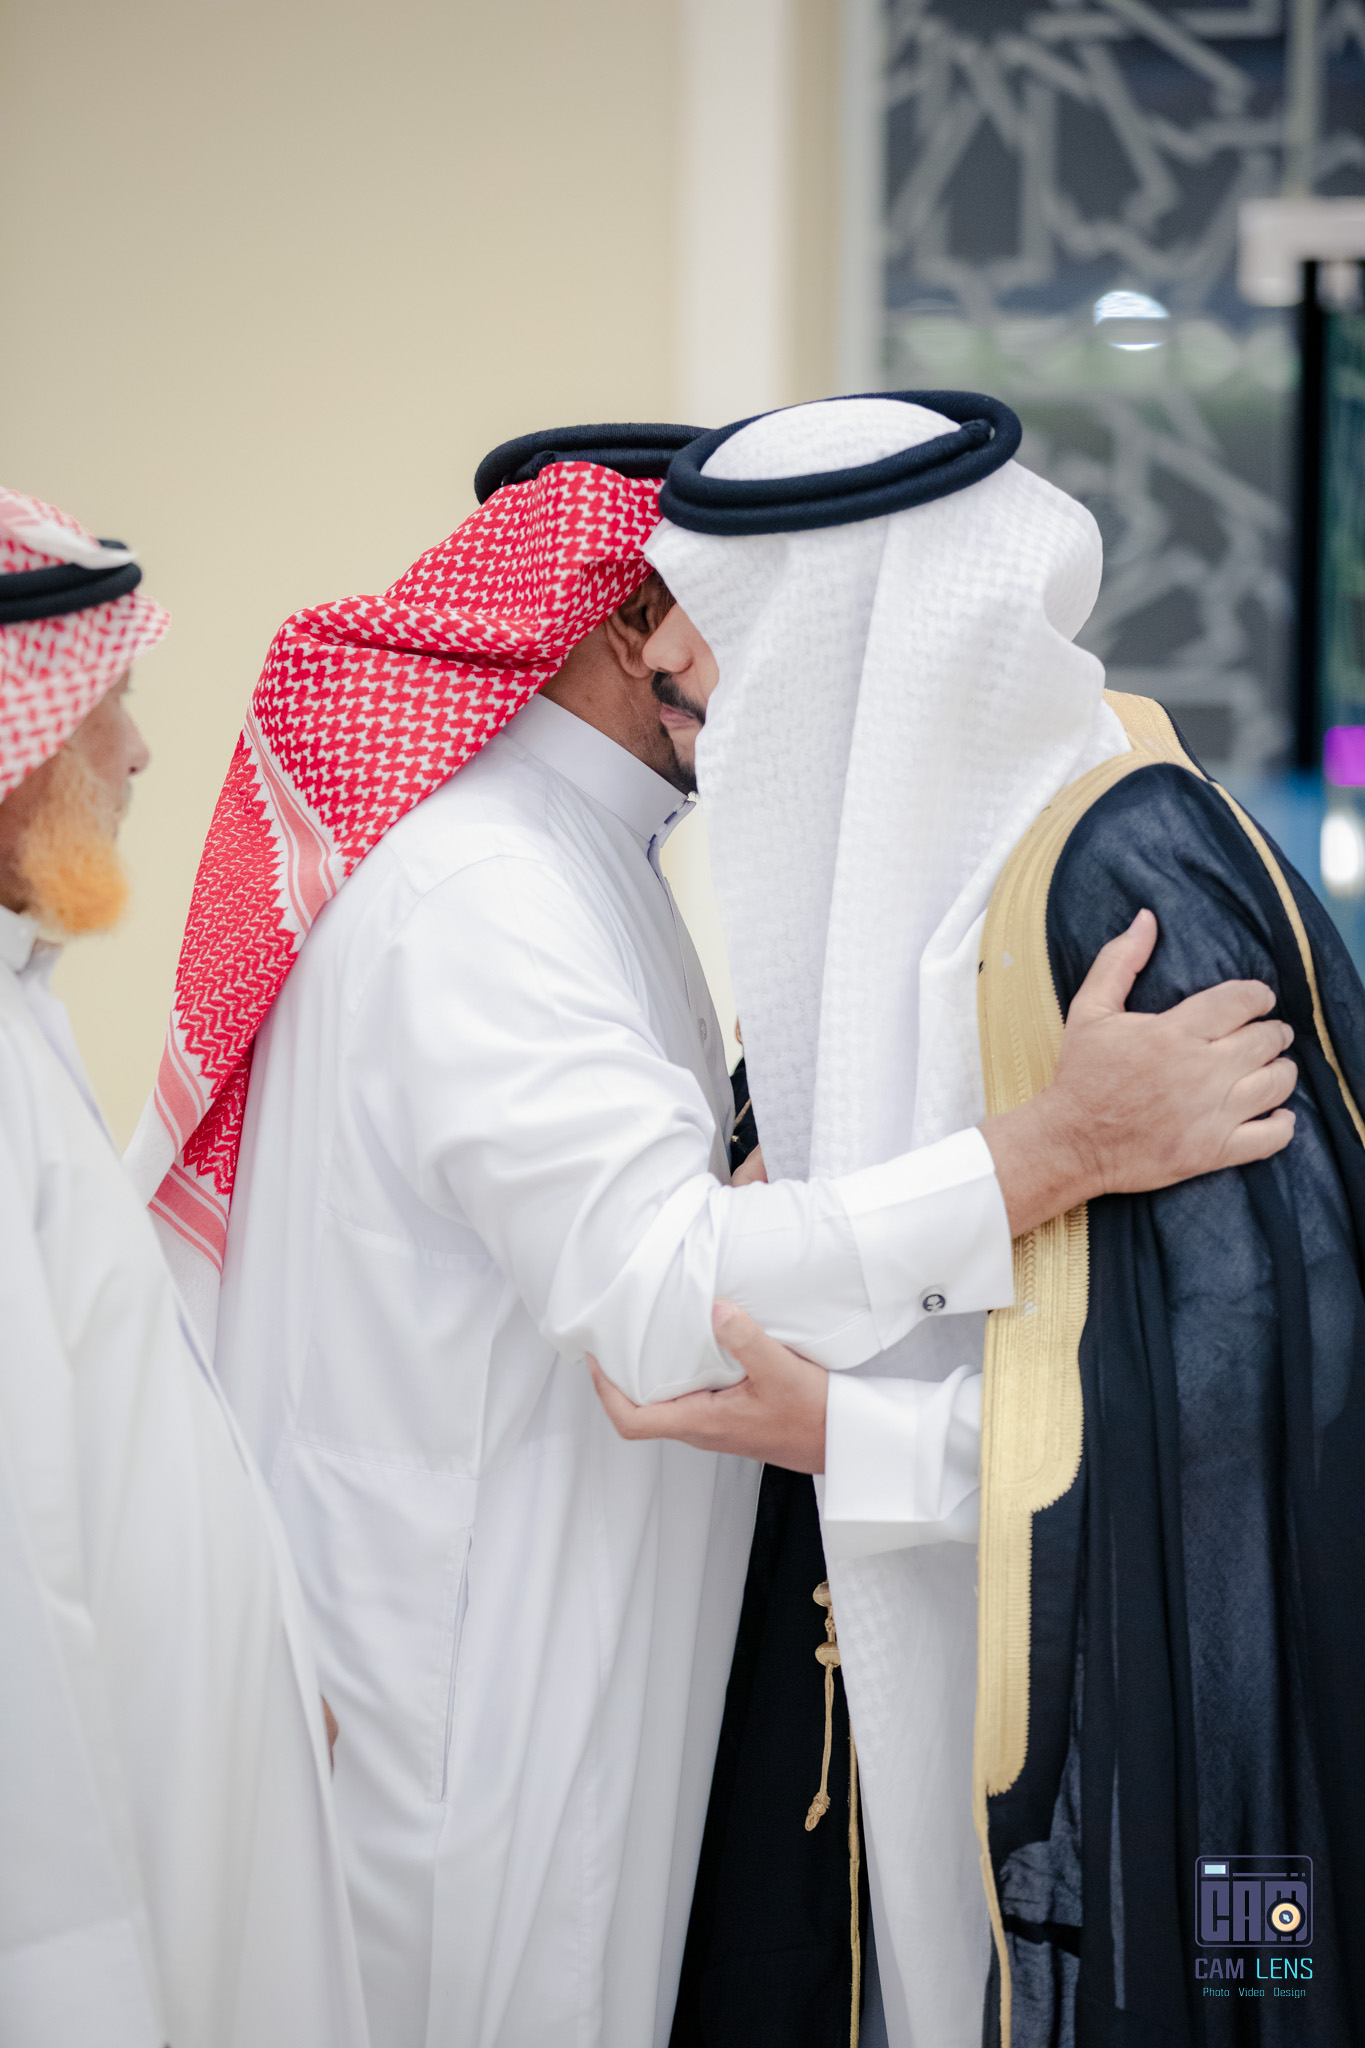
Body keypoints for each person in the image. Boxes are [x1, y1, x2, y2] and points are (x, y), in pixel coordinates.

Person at [129, 425, 1294, 2048]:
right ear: (634, 617)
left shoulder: (578, 856)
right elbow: (664, 1294)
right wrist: (1054, 1149)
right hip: (475, 1706)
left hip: (556, 1658)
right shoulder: (488, 886)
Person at [593, 391, 1363, 2047]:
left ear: (845, 637)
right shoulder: (927, 903)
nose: (672, 667)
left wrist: (857, 1436)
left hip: (1143, 1786)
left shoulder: (1126, 878)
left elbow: (1258, 1418)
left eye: (713, 623)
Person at [0, 487, 369, 2048]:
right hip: (93, 1863)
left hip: (180, 1786)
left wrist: (264, 1646)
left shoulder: (22, 1012)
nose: (139, 752)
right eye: (107, 703)